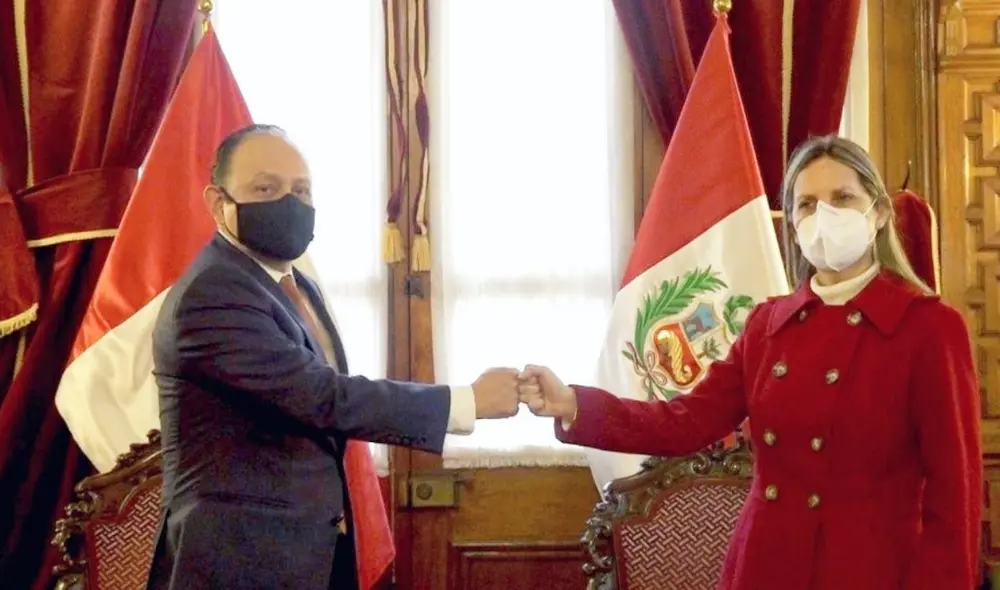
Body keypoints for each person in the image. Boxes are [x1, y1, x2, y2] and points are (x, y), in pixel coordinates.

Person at [518, 135, 982, 590]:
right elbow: (684, 422)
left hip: (871, 570)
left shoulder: (929, 329)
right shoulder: (768, 326)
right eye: (807, 204)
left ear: (878, 213)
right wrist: (573, 404)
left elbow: (954, 497)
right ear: (793, 224)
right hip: (765, 566)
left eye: (842, 198)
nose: (824, 216)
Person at [146, 124, 520, 590]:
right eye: (265, 188)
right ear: (217, 203)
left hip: (305, 549)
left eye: (301, 190)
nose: (290, 203)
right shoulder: (212, 293)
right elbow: (321, 397)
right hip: (236, 558)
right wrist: (465, 402)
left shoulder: (292, 284)